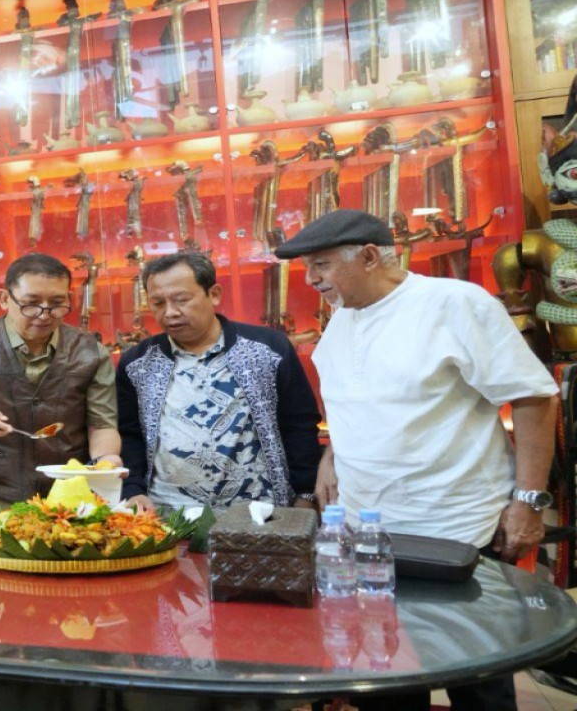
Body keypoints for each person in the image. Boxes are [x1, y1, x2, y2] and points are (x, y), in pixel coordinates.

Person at [276, 209, 559, 711]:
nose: (311, 279)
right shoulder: (342, 318)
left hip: (456, 532)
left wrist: (529, 502)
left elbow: (535, 398)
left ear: (368, 256)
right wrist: (331, 458)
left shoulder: (452, 303)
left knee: (478, 681)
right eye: (307, 268)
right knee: (388, 681)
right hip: (371, 542)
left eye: (320, 264)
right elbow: (358, 401)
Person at [116, 251, 322, 510]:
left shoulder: (268, 348)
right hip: (168, 513)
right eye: (157, 303)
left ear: (213, 294)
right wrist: (132, 488)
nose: (170, 313)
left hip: (259, 512)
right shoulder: (138, 362)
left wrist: (305, 494)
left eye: (182, 300)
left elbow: (298, 423)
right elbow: (129, 434)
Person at [0, 253, 121, 514]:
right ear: (5, 298)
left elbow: (102, 423)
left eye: (57, 304)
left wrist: (106, 461)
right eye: (31, 304)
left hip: (70, 502)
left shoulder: (91, 351)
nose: (44, 315)